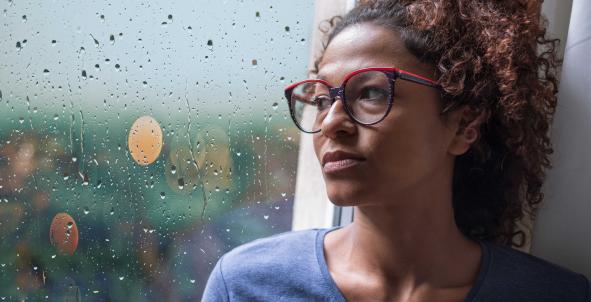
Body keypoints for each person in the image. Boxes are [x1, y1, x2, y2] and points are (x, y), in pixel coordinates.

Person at [202, 0, 591, 301]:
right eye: (321, 100)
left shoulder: (555, 295)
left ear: (463, 125)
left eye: (371, 92)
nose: (331, 122)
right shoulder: (245, 286)